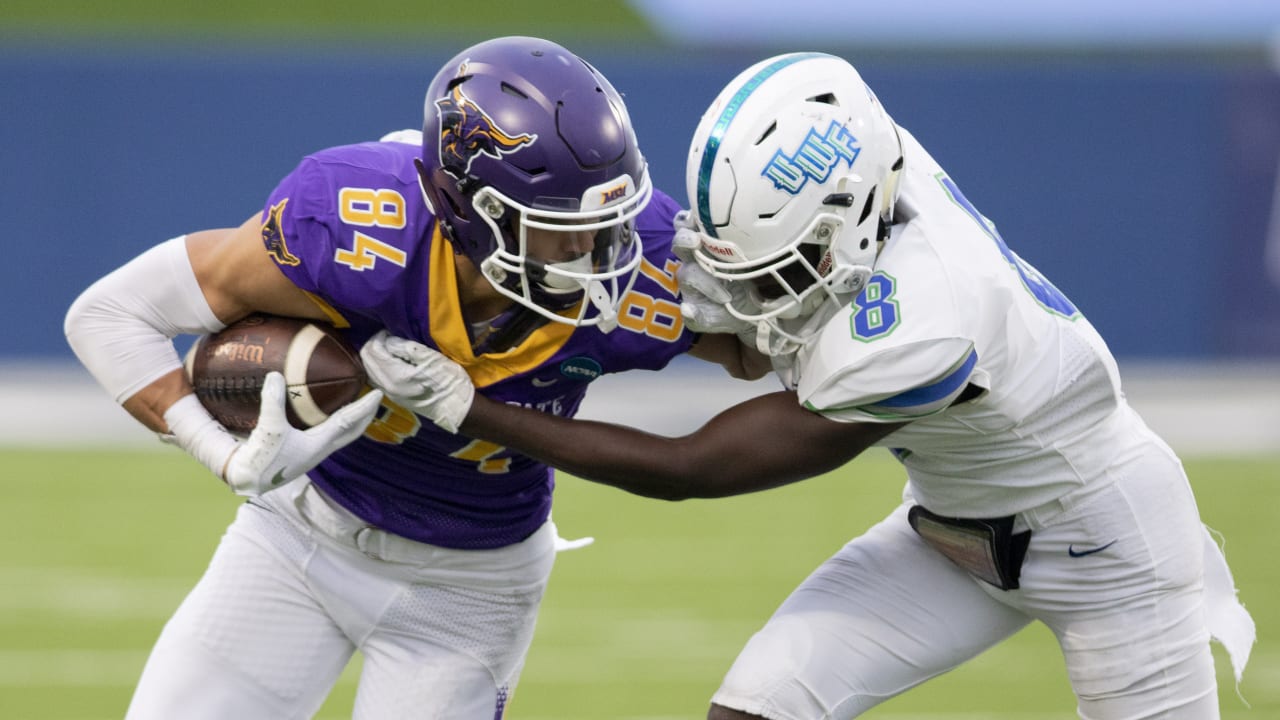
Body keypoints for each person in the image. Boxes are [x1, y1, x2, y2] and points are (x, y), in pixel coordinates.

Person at [360, 52, 1257, 718]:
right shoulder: (871, 164)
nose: (758, 295)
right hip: (947, 538)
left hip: (1111, 554)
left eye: (782, 269)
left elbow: (691, 467)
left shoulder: (928, 321)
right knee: (754, 710)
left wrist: (475, 411)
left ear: (854, 220)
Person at [63, 36, 760, 719]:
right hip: (297, 536)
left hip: (471, 587)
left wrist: (758, 291)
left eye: (611, 218)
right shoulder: (352, 224)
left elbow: (765, 359)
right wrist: (219, 452)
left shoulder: (655, 264)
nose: (594, 248)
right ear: (467, 212)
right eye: (557, 224)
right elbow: (112, 313)